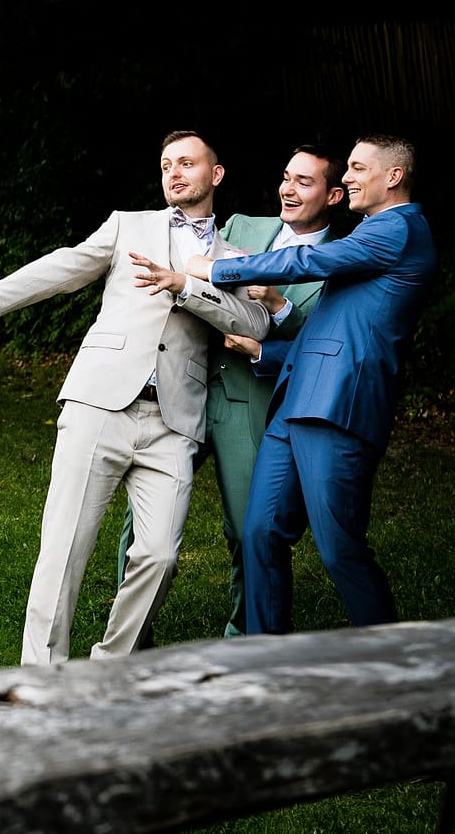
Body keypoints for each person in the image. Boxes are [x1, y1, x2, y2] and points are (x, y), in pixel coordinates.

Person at [0, 131, 272, 665]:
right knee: (65, 547)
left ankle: (110, 668)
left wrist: (186, 286)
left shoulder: (238, 257)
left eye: (188, 163)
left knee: (161, 555)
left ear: (217, 174)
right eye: (166, 164)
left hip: (175, 419)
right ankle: (42, 678)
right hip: (100, 402)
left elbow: (255, 320)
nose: (175, 173)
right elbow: (61, 269)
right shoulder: (128, 224)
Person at [187, 134, 438, 634]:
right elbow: (329, 327)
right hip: (294, 399)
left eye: (358, 168)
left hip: (337, 406)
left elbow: (307, 261)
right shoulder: (372, 231)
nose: (347, 177)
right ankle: (265, 656)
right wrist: (268, 355)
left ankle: (391, 659)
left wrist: (218, 269)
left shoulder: (400, 228)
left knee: (339, 547)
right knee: (259, 531)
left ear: (392, 176)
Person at [118, 143, 345, 637]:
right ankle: (130, 638)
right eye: (286, 177)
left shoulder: (338, 265)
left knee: (247, 530)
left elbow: (320, 343)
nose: (288, 188)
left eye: (305, 182)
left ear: (334, 195)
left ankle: (244, 636)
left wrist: (281, 306)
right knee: (143, 523)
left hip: (247, 401)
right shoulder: (242, 226)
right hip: (187, 383)